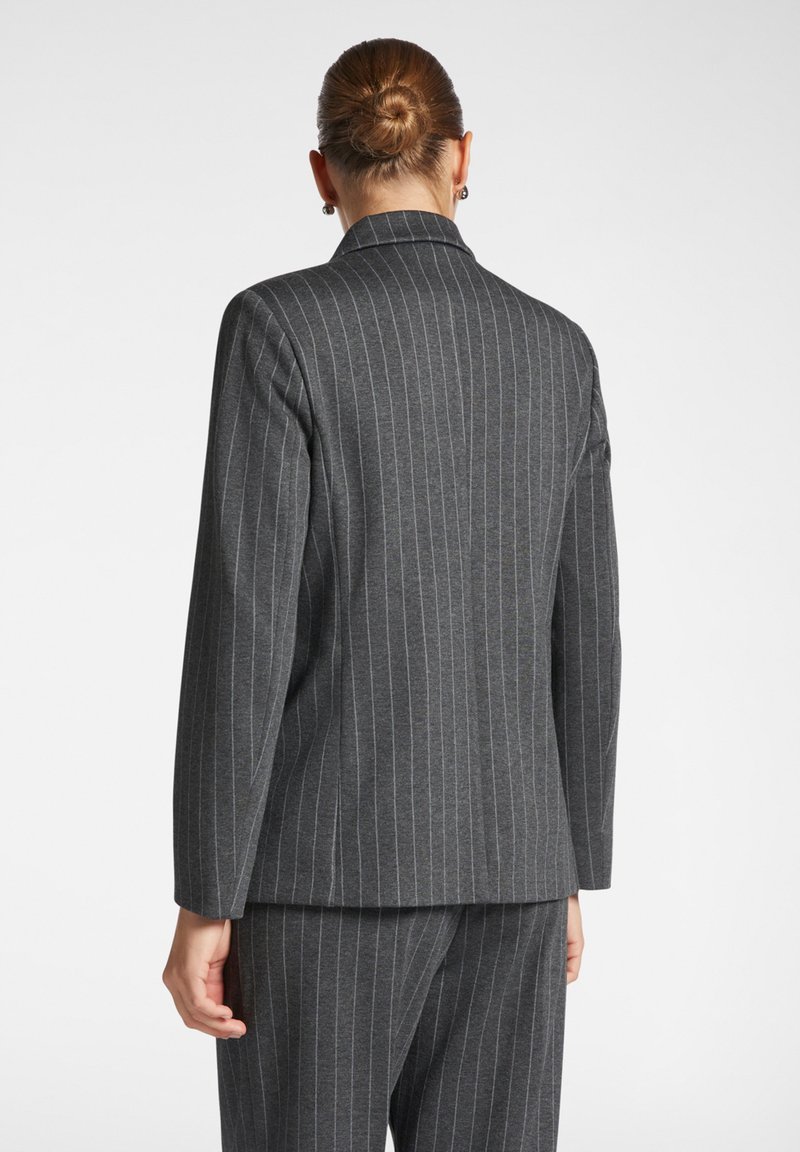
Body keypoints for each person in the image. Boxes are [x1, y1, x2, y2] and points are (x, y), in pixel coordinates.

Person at [162, 35, 621, 1152]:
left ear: (322, 173)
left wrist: (207, 893)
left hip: (323, 875)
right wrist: (565, 861)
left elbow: (245, 626)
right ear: (462, 157)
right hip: (514, 868)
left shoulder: (278, 328)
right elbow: (587, 632)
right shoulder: (557, 350)